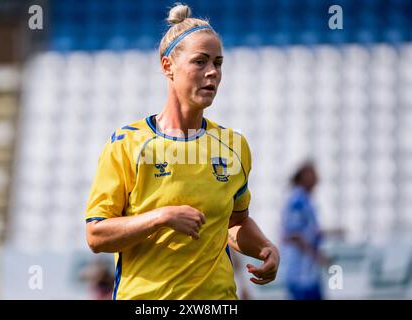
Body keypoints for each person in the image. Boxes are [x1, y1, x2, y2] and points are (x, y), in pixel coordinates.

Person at [85, 3, 279, 300]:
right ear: (168, 66)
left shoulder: (233, 146)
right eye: (200, 62)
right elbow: (96, 235)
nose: (213, 72)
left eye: (218, 62)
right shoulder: (127, 143)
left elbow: (235, 223)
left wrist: (265, 247)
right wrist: (160, 217)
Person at [280, 161, 332, 300]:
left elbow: (309, 232)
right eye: (313, 173)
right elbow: (294, 235)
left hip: (310, 273)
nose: (317, 177)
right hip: (300, 274)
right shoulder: (297, 200)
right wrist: (317, 255)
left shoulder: (306, 200)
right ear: (303, 176)